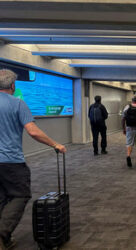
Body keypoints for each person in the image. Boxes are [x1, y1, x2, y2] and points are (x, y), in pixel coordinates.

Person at [0, 69, 66, 250]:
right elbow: (33, 131)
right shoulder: (18, 103)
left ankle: (5, 240)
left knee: (2, 198)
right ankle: (2, 233)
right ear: (13, 85)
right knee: (20, 195)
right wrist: (55, 145)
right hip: (11, 162)